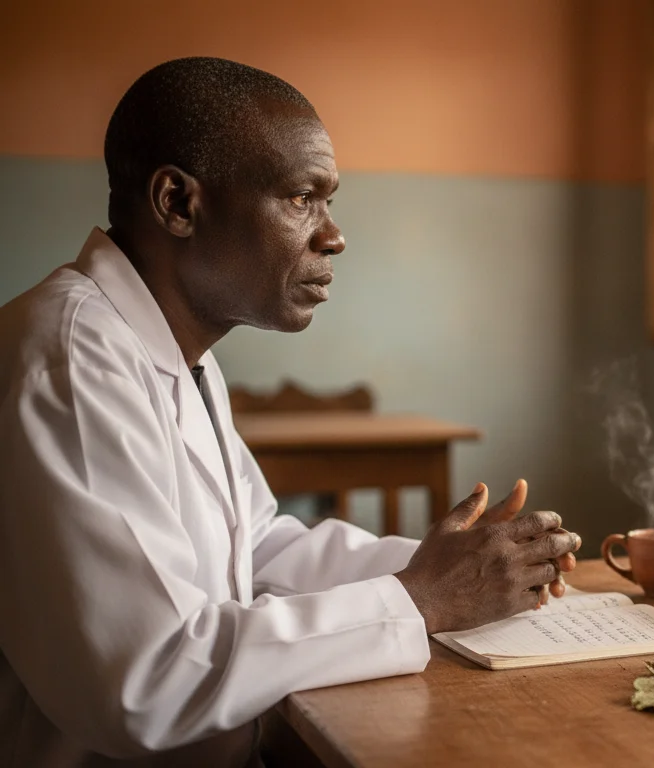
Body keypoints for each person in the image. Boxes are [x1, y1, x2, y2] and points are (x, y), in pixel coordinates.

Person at [0, 57, 582, 766]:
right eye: (302, 198)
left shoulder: (172, 350)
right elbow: (146, 679)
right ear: (178, 203)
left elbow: (257, 548)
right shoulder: (69, 359)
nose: (333, 236)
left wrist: (449, 568)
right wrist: (421, 598)